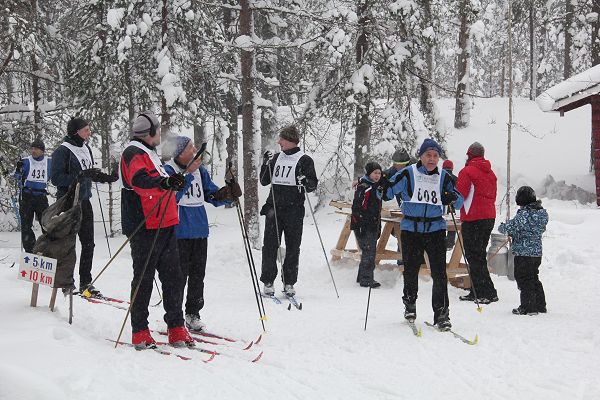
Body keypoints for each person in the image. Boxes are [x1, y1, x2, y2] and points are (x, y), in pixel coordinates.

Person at [120, 112, 194, 349]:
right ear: (149, 133)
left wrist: (173, 182)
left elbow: (161, 181)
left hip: (166, 224)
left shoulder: (150, 154)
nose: (160, 134)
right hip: (146, 226)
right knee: (144, 279)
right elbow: (139, 180)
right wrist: (164, 183)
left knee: (173, 278)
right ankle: (140, 330)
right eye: (158, 131)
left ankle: (176, 327)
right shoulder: (133, 152)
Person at [385, 138, 463, 330]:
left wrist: (452, 197)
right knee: (411, 270)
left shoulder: (444, 177)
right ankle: (410, 303)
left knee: (440, 274)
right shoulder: (408, 173)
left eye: (436, 156)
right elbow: (387, 193)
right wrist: (381, 184)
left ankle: (442, 314)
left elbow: (460, 201)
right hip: (411, 229)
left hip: (435, 229)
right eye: (428, 155)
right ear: (420, 156)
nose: (432, 159)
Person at [163, 136, 240, 331]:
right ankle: (175, 316)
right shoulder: (169, 170)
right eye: (190, 148)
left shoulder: (200, 171)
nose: (195, 150)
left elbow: (211, 195)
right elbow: (171, 198)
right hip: (178, 232)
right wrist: (187, 174)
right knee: (178, 277)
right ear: (180, 153)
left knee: (198, 276)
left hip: (199, 230)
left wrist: (227, 193)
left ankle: (193, 313)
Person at [51, 117, 118, 295]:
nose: (89, 133)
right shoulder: (63, 151)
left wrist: (107, 178)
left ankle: (85, 283)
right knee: (68, 244)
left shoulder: (85, 148)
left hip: (84, 201)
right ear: (76, 132)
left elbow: (90, 174)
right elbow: (56, 178)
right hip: (68, 202)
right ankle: (66, 281)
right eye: (86, 130)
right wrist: (78, 175)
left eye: (89, 129)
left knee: (88, 243)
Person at [259, 125, 318, 297]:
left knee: (293, 247)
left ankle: (289, 282)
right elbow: (264, 181)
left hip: (293, 210)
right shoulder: (276, 157)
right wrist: (266, 163)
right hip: (274, 208)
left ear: (291, 140)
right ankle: (268, 281)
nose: (279, 142)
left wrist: (304, 180)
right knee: (270, 246)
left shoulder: (305, 160)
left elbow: (312, 186)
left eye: (282, 140)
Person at [455, 142, 499, 304]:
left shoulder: (467, 171)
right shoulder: (491, 173)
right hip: (488, 216)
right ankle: (481, 290)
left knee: (474, 255)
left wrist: (451, 201)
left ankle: (484, 291)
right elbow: (492, 195)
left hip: (473, 217)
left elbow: (460, 195)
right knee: (478, 254)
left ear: (469, 155)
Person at [499, 186, 548, 315]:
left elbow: (512, 227)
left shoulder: (524, 214)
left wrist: (503, 227)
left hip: (523, 252)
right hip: (536, 253)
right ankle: (540, 305)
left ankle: (528, 307)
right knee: (533, 277)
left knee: (524, 278)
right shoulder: (541, 213)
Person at [351, 162, 386, 288]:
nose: (377, 175)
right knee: (369, 252)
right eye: (375, 173)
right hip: (363, 224)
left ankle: (362, 276)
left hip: (373, 223)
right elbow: (357, 206)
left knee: (368, 251)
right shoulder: (365, 187)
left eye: (379, 173)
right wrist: (359, 222)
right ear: (369, 173)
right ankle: (366, 279)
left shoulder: (376, 185)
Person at [14, 138, 51, 253]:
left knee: (46, 225)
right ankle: (30, 250)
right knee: (26, 225)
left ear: (42, 151)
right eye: (32, 148)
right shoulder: (26, 161)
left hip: (41, 197)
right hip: (27, 196)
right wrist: (18, 170)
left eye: (36, 149)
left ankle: (47, 248)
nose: (33, 151)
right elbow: (16, 176)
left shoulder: (49, 162)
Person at [383, 149, 412, 266]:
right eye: (396, 165)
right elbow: (379, 175)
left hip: (416, 207)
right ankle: (401, 262)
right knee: (404, 234)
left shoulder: (414, 170)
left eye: (402, 165)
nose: (398, 167)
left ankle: (419, 264)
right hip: (403, 207)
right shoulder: (392, 172)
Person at [442, 159, 457, 250]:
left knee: (441, 221)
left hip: (442, 203)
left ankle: (442, 240)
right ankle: (450, 243)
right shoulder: (456, 178)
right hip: (452, 203)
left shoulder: (440, 176)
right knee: (452, 221)